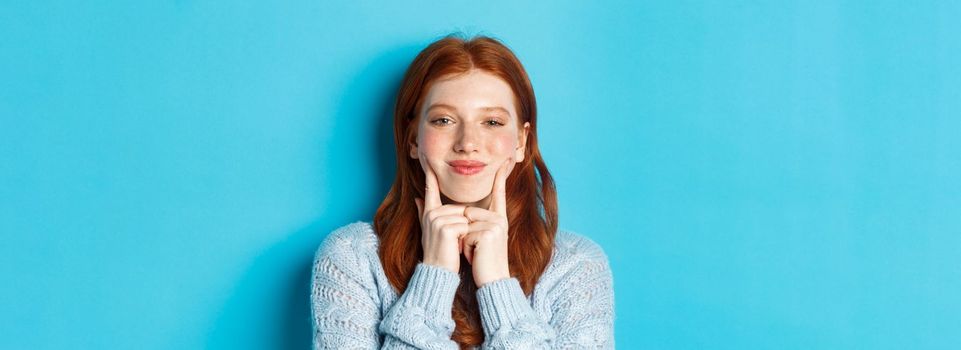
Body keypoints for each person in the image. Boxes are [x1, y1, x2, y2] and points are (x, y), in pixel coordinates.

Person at [311, 33, 615, 349]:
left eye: (492, 122)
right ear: (412, 138)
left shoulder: (576, 267)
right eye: (443, 120)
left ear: (521, 141)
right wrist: (434, 277)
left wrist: (498, 285)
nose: (467, 143)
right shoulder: (352, 258)